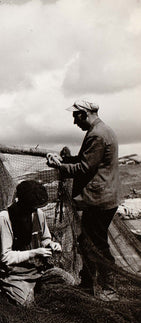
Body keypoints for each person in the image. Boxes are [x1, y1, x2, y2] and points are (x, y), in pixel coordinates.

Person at [46, 100, 120, 301]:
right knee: (88, 242)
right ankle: (89, 283)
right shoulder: (104, 130)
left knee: (97, 245)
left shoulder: (97, 134)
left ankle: (108, 289)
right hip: (103, 197)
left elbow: (84, 168)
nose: (74, 122)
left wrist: (58, 166)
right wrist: (65, 160)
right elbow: (85, 160)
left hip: (99, 199)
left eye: (75, 117)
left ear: (84, 114)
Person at [0, 180, 69, 306]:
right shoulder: (4, 219)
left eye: (37, 208)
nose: (34, 211)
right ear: (22, 203)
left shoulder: (39, 214)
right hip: (14, 273)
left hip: (38, 270)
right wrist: (34, 253)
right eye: (32, 208)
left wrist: (51, 245)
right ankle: (7, 288)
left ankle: (34, 288)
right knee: (26, 303)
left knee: (67, 281)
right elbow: (5, 257)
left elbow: (45, 238)